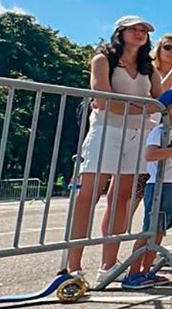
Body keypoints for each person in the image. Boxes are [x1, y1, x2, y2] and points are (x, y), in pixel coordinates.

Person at [66, 15, 164, 289]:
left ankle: (109, 264)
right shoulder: (103, 60)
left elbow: (160, 102)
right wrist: (143, 107)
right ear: (120, 32)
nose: (140, 33)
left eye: (144, 30)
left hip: (138, 134)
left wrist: (137, 107)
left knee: (121, 198)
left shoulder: (149, 68)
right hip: (107, 132)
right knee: (89, 194)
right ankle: (73, 264)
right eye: (135, 29)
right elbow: (103, 99)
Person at [122, 89, 172, 289]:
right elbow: (150, 155)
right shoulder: (160, 131)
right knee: (149, 231)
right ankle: (133, 273)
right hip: (160, 186)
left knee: (159, 232)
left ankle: (146, 271)